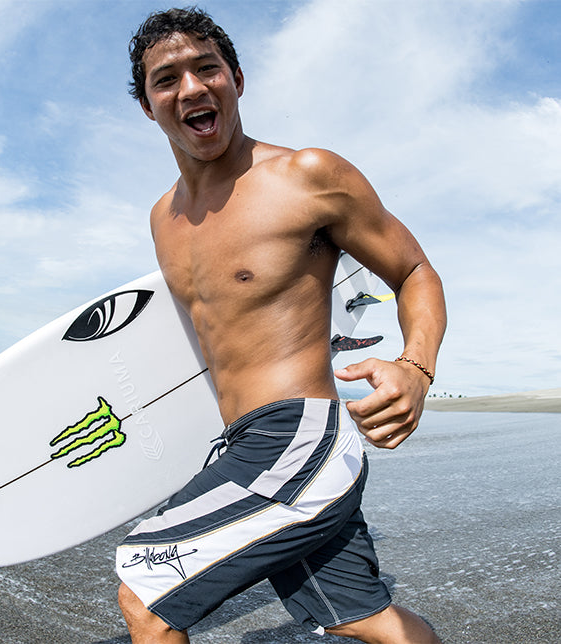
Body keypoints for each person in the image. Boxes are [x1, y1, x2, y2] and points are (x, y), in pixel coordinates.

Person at [116, 7, 446, 643]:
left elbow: (414, 272)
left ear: (236, 79)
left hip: (299, 437)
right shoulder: (163, 218)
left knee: (146, 594)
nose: (190, 88)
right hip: (245, 444)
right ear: (148, 106)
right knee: (364, 621)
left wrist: (416, 367)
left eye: (206, 68)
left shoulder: (307, 177)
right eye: (167, 79)